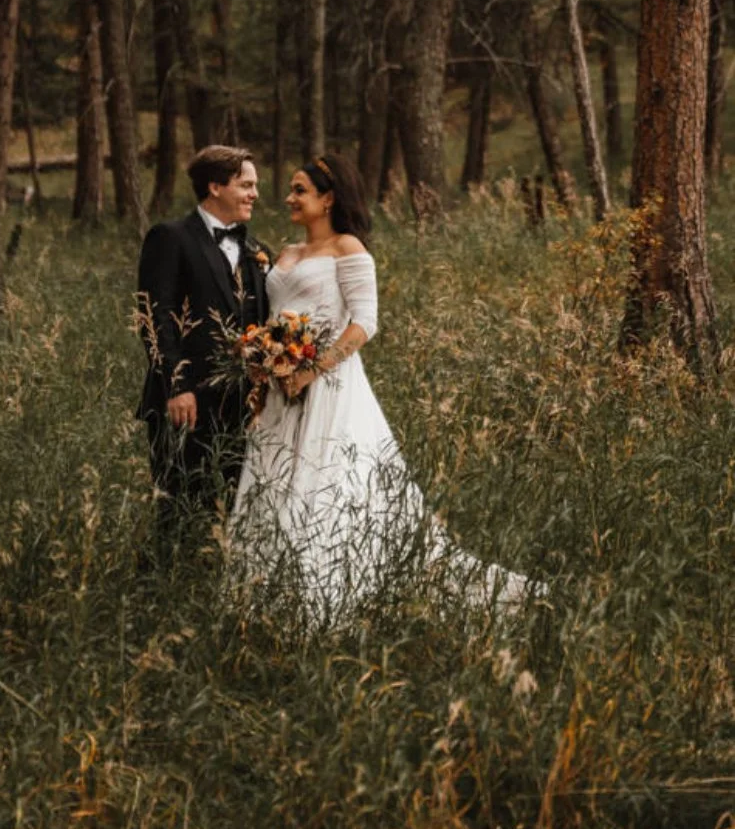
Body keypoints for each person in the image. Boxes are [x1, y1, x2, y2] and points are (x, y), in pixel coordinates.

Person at [229, 151, 545, 620]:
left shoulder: (348, 249)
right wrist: (266, 359)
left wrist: (312, 370)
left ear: (329, 199)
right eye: (291, 190)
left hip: (329, 384)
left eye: (300, 191)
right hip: (278, 387)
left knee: (327, 484)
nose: (289, 198)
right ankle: (264, 595)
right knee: (275, 478)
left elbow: (365, 323)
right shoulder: (287, 254)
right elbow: (273, 316)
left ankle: (325, 593)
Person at [136, 144, 271, 563]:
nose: (254, 194)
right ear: (215, 187)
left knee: (232, 511)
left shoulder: (255, 250)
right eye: (245, 185)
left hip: (241, 408)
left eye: (254, 186)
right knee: (178, 509)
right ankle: (161, 585)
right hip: (186, 405)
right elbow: (154, 317)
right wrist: (177, 387)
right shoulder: (170, 237)